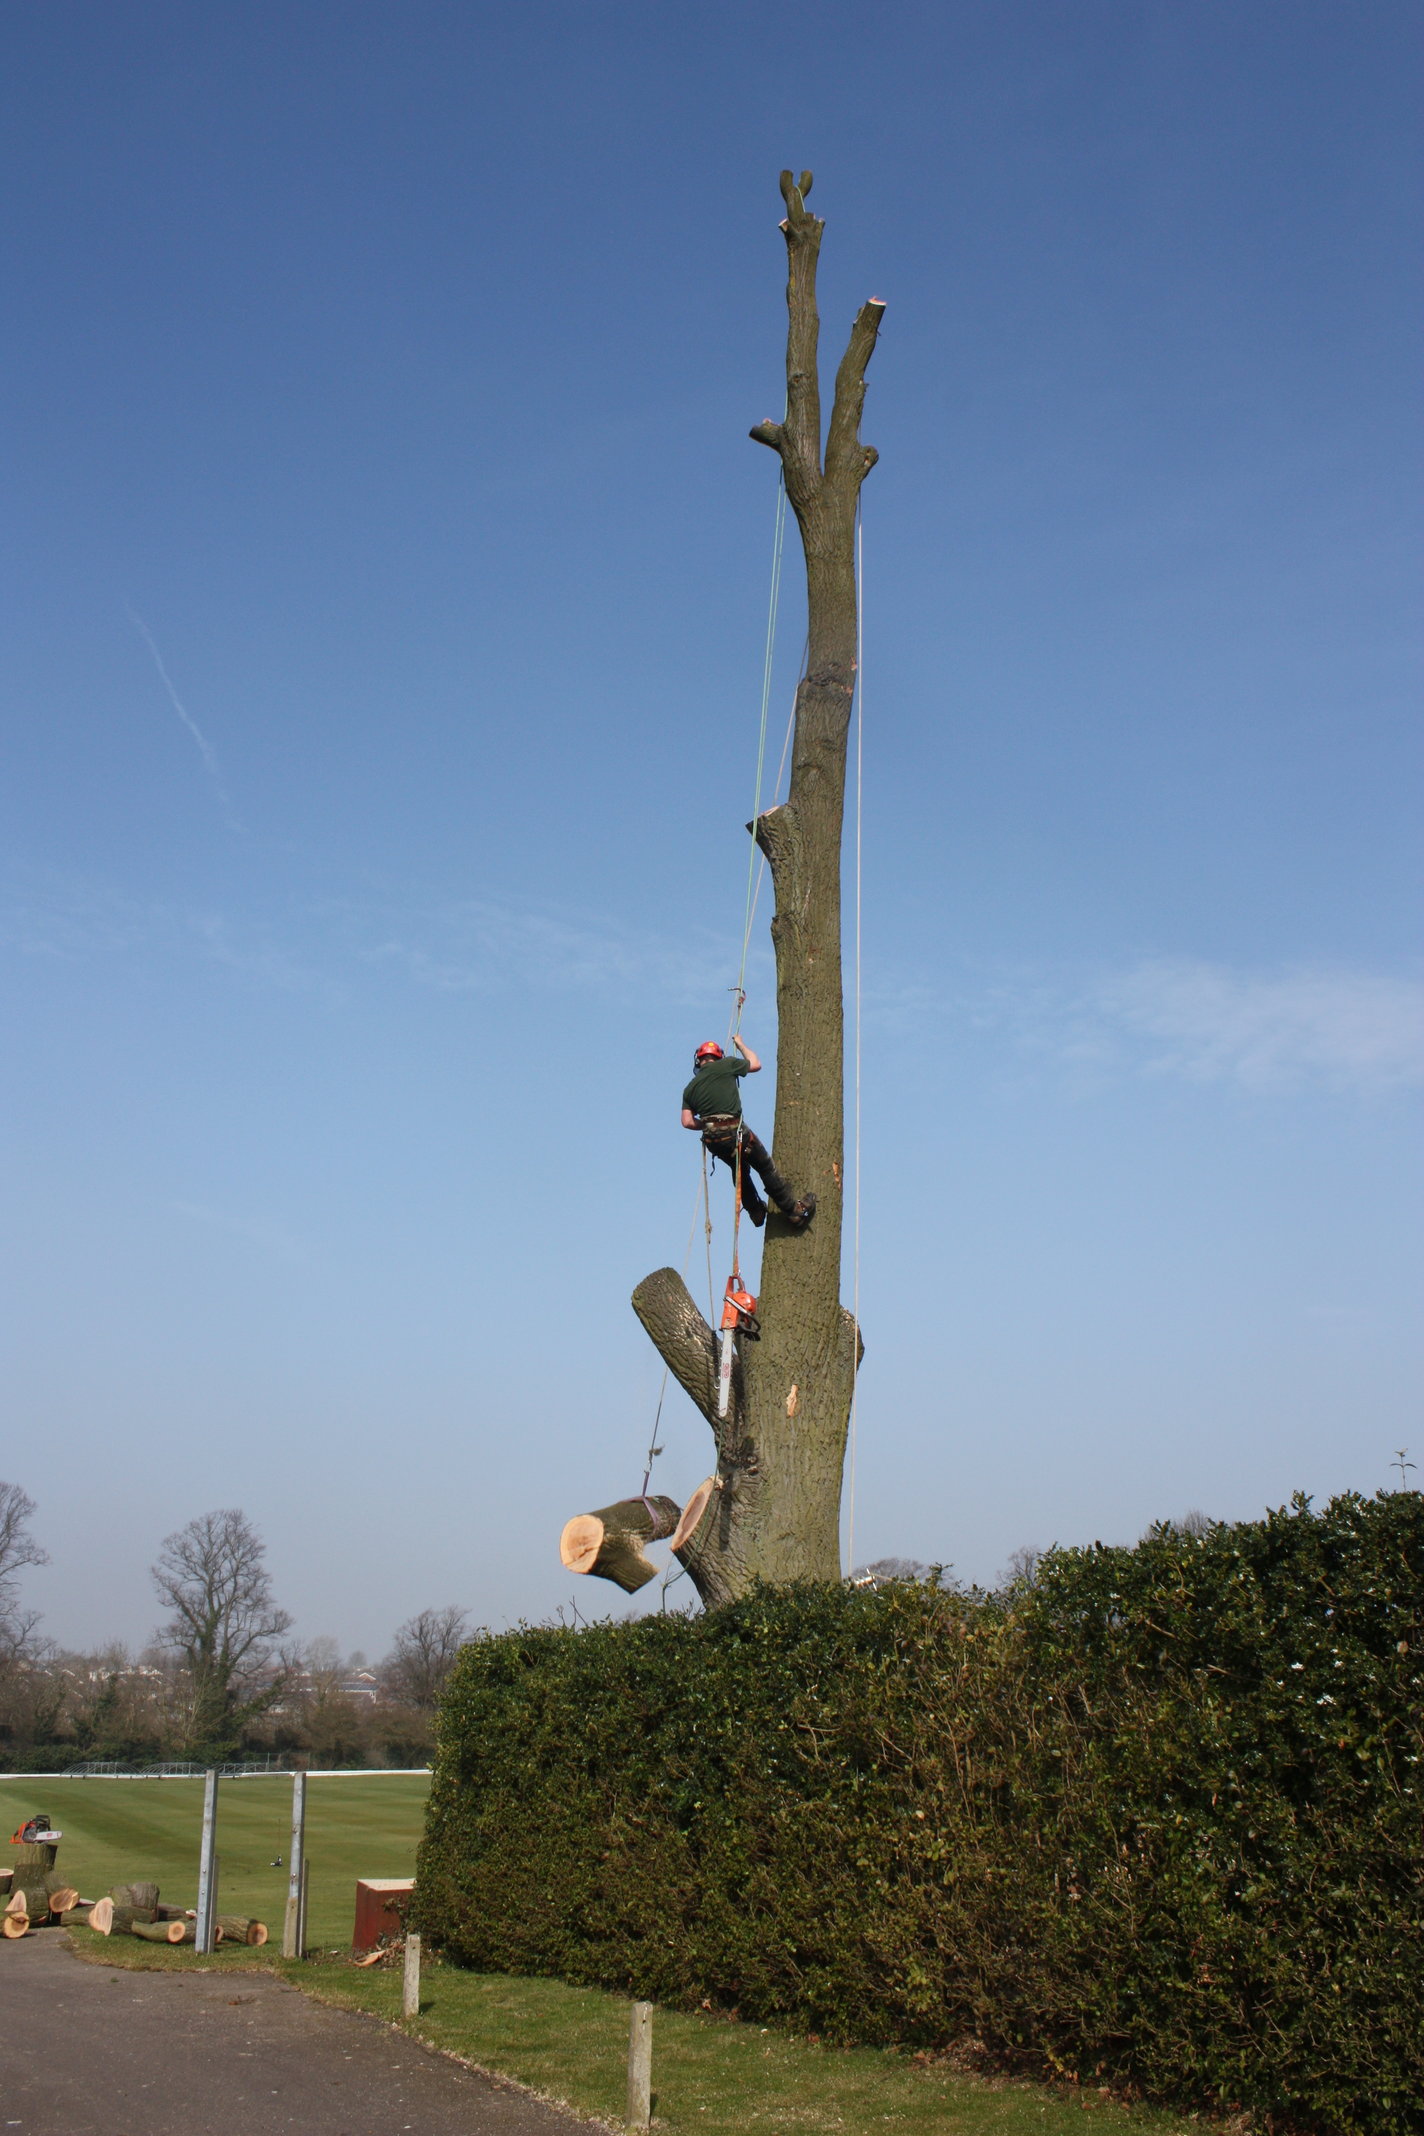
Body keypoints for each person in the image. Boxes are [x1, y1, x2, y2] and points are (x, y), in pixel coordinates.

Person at [681, 1036, 816, 1230]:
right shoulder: (727, 1064)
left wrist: (707, 1126)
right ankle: (792, 1210)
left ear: (699, 1061)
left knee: (740, 1170)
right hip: (735, 1132)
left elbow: (686, 1121)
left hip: (714, 1139)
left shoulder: (690, 1088)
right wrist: (741, 1044)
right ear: (718, 1057)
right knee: (765, 1167)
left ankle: (756, 1210)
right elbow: (755, 1064)